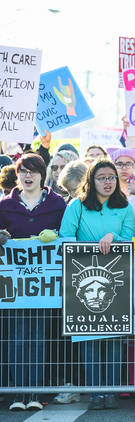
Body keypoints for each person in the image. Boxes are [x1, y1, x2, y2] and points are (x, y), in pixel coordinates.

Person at [59, 160, 135, 410]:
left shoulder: (124, 207)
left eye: (112, 177)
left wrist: (113, 237)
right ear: (91, 180)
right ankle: (95, 394)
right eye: (102, 177)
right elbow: (65, 238)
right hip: (82, 279)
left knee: (113, 339)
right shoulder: (76, 206)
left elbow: (130, 237)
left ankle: (110, 392)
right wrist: (89, 247)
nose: (108, 182)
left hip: (116, 282)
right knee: (89, 339)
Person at [0, 154, 66, 411]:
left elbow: (67, 233)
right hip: (14, 286)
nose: (28, 177)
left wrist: (57, 235)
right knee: (17, 336)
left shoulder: (57, 203)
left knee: (38, 336)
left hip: (44, 284)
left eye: (33, 172)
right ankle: (18, 393)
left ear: (42, 174)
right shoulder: (5, 205)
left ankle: (35, 393)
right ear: (17, 175)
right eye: (23, 172)